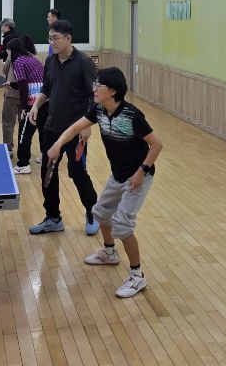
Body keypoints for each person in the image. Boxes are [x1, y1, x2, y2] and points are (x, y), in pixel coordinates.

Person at [45, 66, 163, 298]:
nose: (94, 88)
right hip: (118, 174)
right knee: (100, 212)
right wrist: (58, 144)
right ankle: (109, 253)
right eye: (95, 84)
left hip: (137, 176)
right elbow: (75, 128)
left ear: (113, 91)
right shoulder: (99, 110)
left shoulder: (132, 115)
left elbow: (157, 144)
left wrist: (142, 171)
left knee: (123, 224)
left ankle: (137, 276)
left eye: (99, 85)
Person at [28, 18, 100, 236]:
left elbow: (94, 96)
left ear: (68, 38)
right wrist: (36, 105)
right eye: (49, 38)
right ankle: (53, 218)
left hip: (76, 129)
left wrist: (87, 125)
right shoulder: (50, 61)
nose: (52, 42)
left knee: (77, 172)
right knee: (47, 172)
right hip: (52, 127)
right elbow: (46, 89)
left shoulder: (84, 63)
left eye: (55, 38)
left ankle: (93, 212)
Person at [7, 35, 45, 174]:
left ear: (13, 50)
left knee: (24, 133)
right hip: (45, 100)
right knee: (43, 130)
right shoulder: (32, 59)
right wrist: (12, 84)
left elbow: (23, 84)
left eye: (8, 50)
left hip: (33, 103)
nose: (8, 53)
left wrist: (24, 107)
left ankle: (23, 164)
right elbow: (29, 82)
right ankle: (46, 157)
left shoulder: (17, 62)